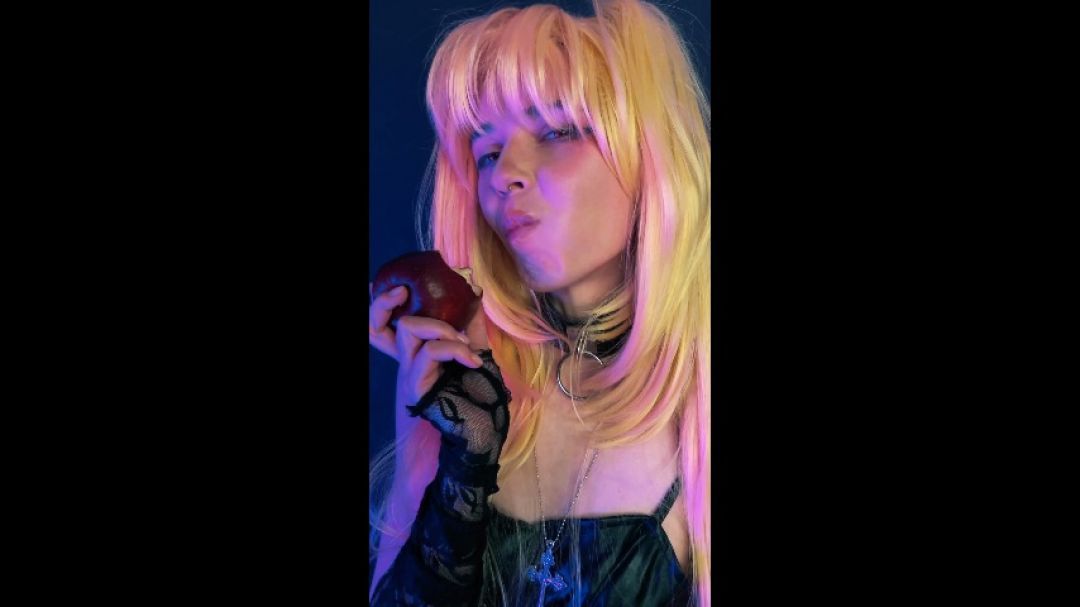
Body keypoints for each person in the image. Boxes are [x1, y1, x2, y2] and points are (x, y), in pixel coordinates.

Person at [368, 0, 710, 604]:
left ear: (648, 152)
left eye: (557, 130)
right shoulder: (461, 384)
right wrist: (458, 457)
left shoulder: (699, 398)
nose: (504, 175)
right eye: (488, 152)